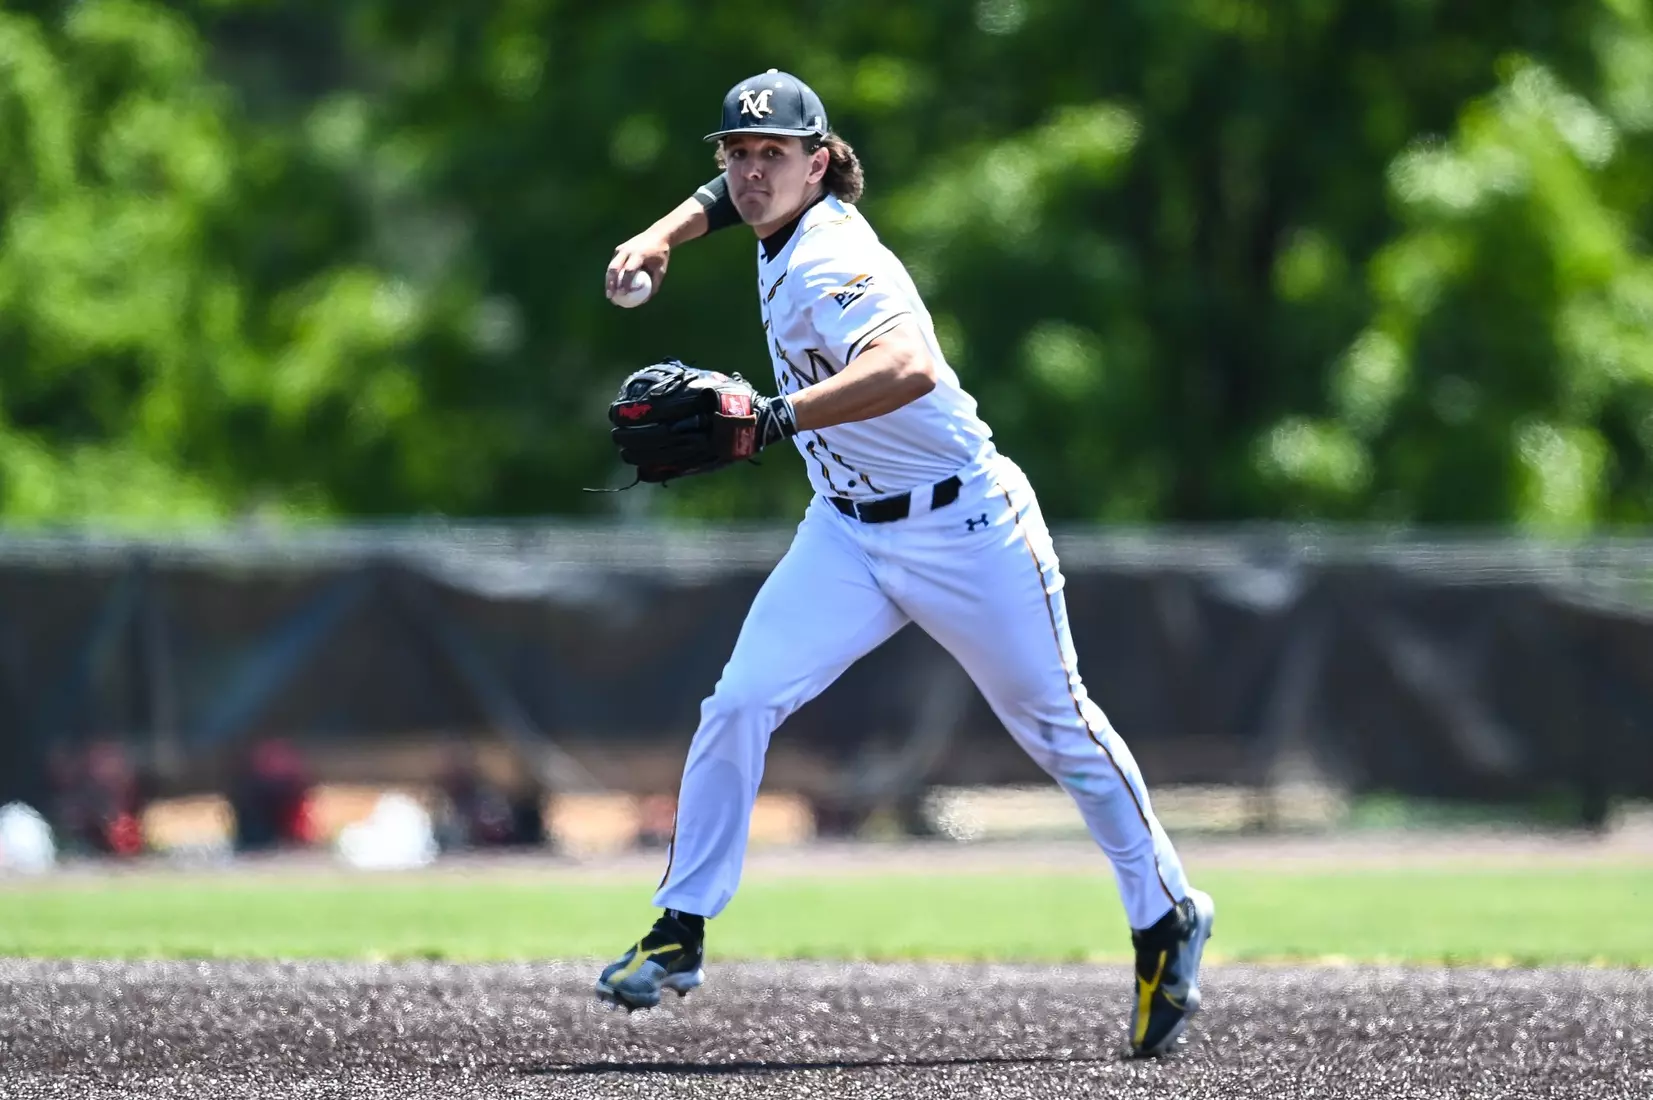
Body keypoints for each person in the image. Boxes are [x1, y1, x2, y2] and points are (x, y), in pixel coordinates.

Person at [595, 69, 1215, 1058]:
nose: (751, 173)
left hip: (965, 527)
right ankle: (680, 928)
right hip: (845, 528)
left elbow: (912, 365)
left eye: (773, 156)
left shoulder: (834, 259)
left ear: (820, 162)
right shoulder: (775, 213)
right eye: (738, 153)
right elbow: (727, 200)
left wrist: (772, 415)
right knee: (740, 702)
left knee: (1061, 729)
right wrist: (660, 235)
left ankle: (1168, 911)